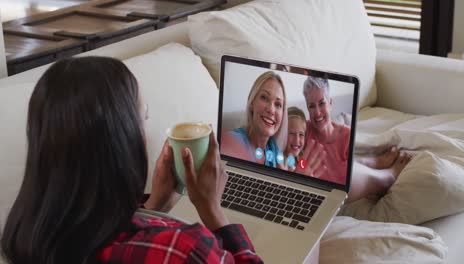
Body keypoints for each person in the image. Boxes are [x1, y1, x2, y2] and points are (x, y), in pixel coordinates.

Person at [0, 57, 263, 264]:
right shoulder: (184, 249)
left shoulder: (24, 237)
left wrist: (154, 206)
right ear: (121, 141)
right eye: (142, 118)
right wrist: (212, 210)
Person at [302, 76, 411, 202]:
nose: (317, 112)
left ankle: (377, 166)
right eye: (311, 106)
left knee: (346, 170)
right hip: (321, 190)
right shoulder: (303, 130)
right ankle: (387, 174)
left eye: (322, 103)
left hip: (343, 177)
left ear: (330, 103)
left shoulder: (345, 134)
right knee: (342, 175)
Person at [221, 71, 288, 168]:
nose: (271, 110)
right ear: (252, 103)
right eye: (264, 98)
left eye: (278, 104)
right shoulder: (234, 140)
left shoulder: (272, 146)